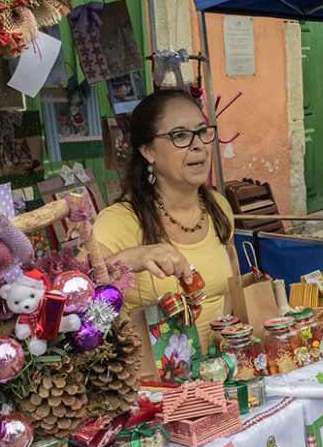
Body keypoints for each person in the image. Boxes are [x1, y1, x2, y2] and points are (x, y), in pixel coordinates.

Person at [93, 89, 236, 351]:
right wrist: (131, 257)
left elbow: (226, 290)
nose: (198, 145)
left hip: (217, 376)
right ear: (148, 150)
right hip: (154, 386)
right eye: (180, 135)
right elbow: (71, 289)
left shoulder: (218, 207)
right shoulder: (119, 221)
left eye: (203, 131)